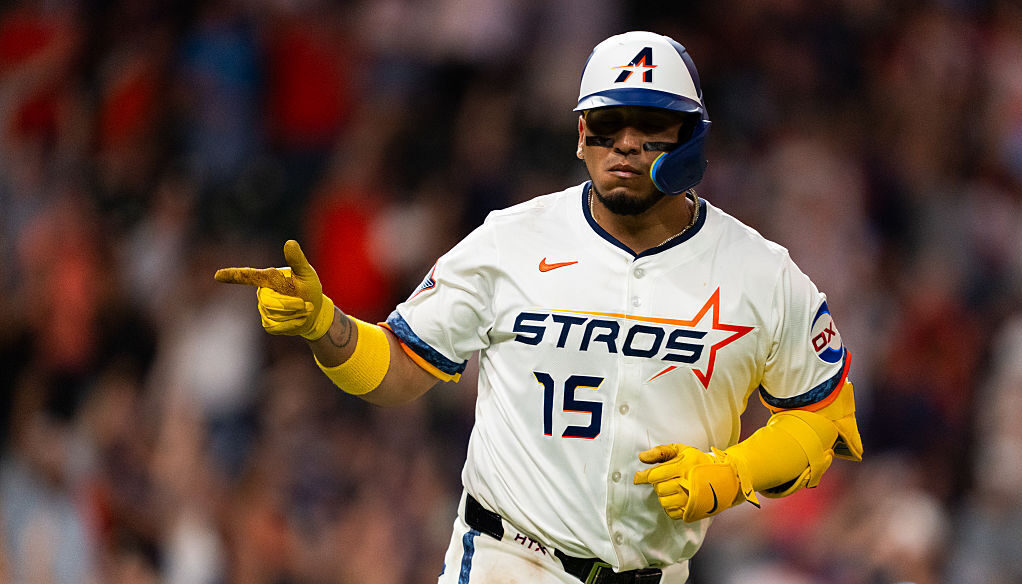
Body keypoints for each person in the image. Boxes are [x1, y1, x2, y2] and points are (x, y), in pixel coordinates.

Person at [215, 31, 863, 584]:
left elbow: (822, 420)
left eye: (650, 124)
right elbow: (403, 363)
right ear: (581, 134)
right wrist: (325, 326)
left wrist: (735, 472)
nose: (626, 144)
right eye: (607, 124)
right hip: (508, 560)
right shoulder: (511, 242)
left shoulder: (760, 273)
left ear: (693, 137)